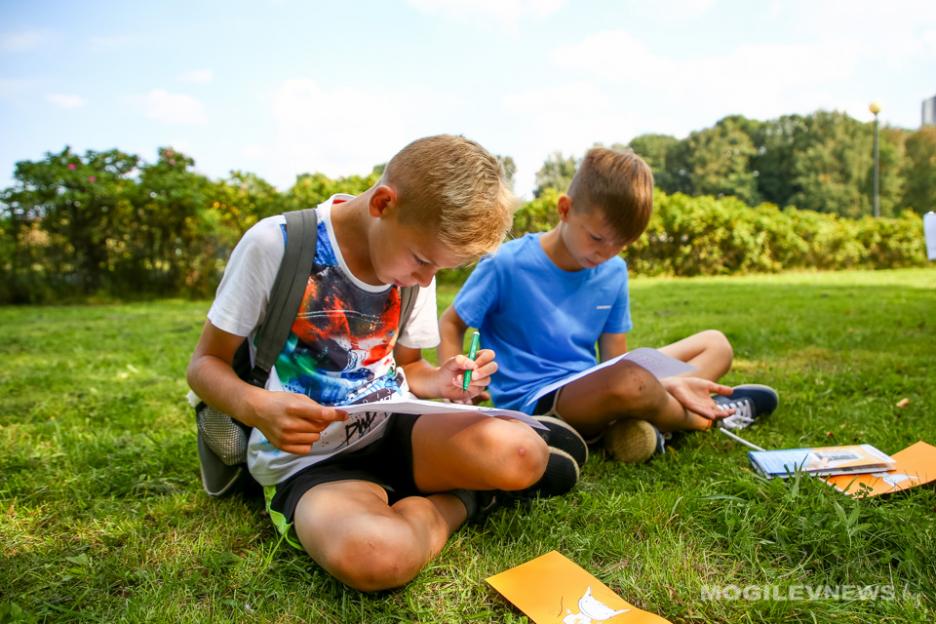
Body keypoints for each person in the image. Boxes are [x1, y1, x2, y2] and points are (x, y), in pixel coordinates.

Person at [186, 135, 575, 593]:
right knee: (375, 558)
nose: (427, 279)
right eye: (423, 262)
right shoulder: (278, 244)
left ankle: (475, 474)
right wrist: (258, 408)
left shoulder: (412, 265)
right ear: (384, 204)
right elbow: (204, 364)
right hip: (312, 459)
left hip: (397, 426)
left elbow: (409, 367)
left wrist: (441, 379)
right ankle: (469, 498)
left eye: (439, 270)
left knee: (523, 454)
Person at [439, 147, 778, 465]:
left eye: (621, 245)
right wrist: (460, 388)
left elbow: (617, 359)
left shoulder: (613, 271)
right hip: (537, 403)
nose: (605, 253)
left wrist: (651, 381)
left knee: (715, 344)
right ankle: (709, 417)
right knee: (632, 382)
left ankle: (641, 422)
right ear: (565, 209)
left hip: (598, 383)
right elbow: (452, 323)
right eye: (598, 238)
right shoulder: (507, 263)